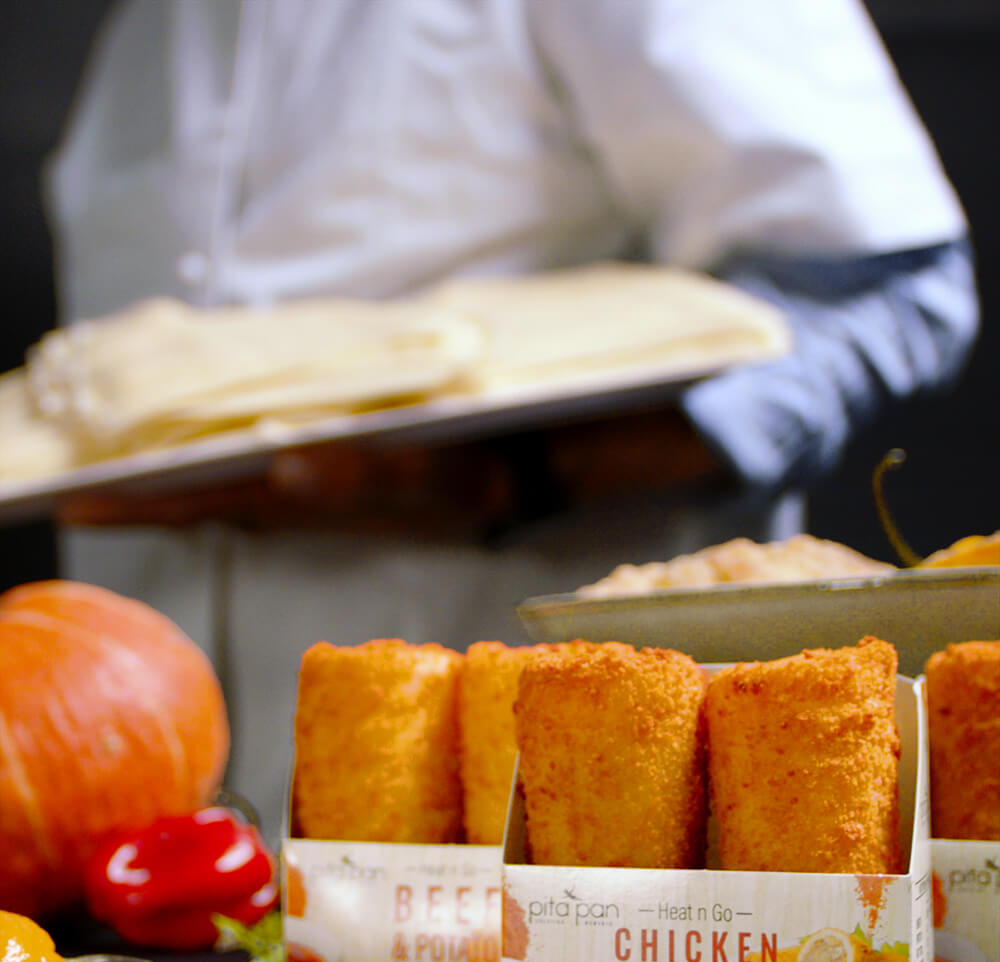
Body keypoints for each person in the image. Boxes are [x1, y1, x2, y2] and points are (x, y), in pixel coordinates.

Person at [43, 0, 978, 838]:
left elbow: (886, 291)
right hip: (163, 854)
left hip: (582, 855)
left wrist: (510, 479)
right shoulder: (143, 33)